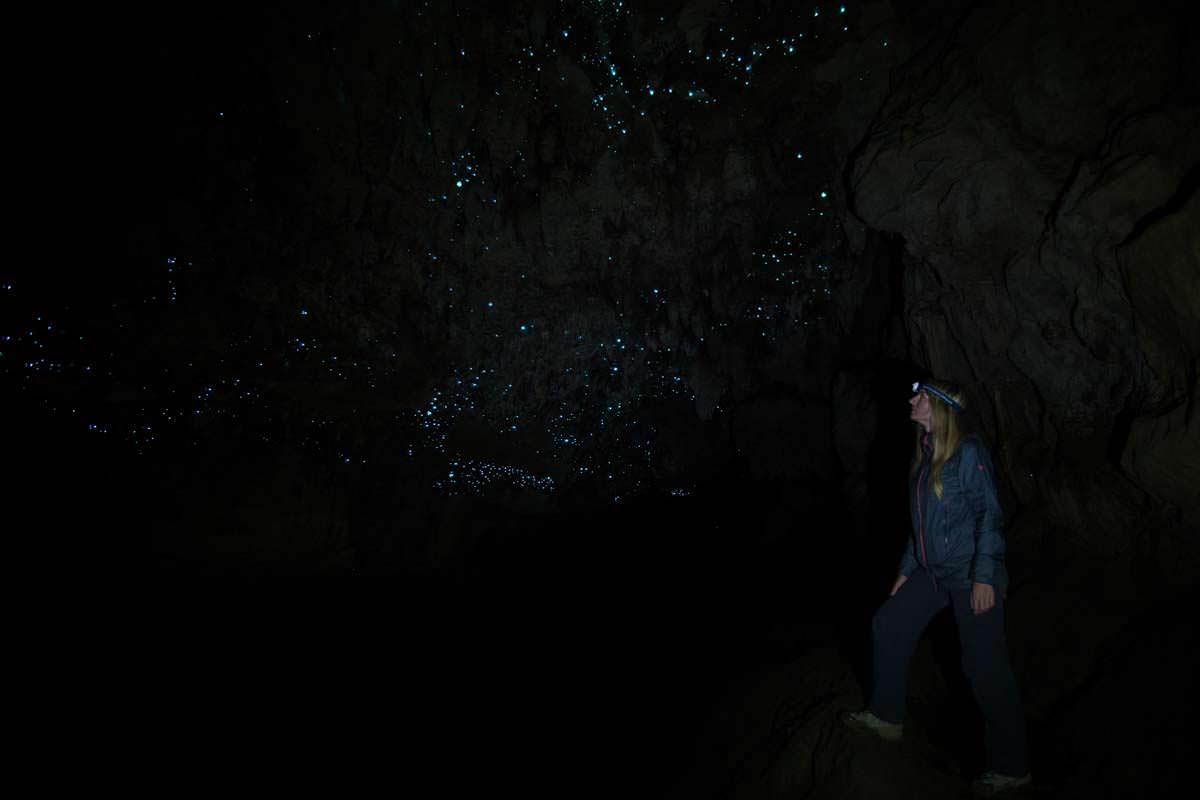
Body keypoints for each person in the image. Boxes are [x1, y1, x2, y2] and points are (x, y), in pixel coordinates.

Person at [843, 379, 1031, 795]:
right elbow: (919, 530)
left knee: (986, 668)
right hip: (932, 573)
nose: (912, 401)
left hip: (969, 574)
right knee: (889, 623)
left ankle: (1012, 767)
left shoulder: (968, 453)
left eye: (921, 397)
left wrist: (984, 577)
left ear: (940, 408)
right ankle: (887, 717)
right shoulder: (925, 458)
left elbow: (990, 517)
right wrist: (906, 570)